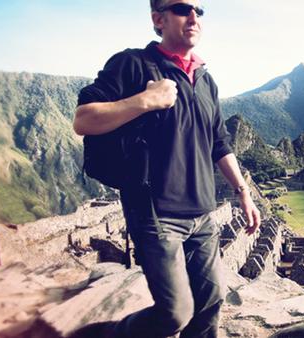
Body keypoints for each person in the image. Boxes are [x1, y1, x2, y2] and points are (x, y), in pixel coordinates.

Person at [73, 0, 261, 337]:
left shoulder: (206, 79)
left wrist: (243, 194)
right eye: (181, 8)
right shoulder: (132, 64)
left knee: (211, 300)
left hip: (203, 213)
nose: (193, 16)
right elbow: (84, 119)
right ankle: (115, 333)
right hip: (156, 213)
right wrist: (144, 101)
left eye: (198, 10)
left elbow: (220, 143)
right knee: (175, 314)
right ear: (158, 19)